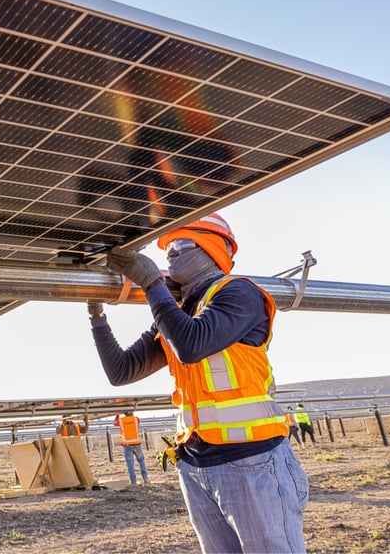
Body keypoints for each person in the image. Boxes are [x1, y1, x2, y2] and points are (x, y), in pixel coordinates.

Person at [86, 213, 308, 553]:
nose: (171, 254)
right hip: (197, 466)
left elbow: (191, 345)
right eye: (167, 249)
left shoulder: (239, 293)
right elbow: (121, 371)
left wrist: (151, 283)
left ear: (213, 248)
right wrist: (96, 317)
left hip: (252, 462)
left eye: (179, 244)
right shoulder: (177, 312)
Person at [114, 411, 149, 485]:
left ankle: (133, 482)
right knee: (141, 461)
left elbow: (115, 423)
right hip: (136, 443)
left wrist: (117, 415)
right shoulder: (136, 419)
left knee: (130, 463)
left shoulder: (121, 420)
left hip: (127, 445)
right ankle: (146, 479)